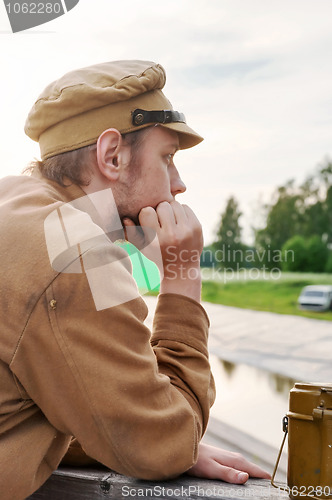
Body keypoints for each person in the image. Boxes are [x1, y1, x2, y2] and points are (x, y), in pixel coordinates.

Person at [0, 60, 270, 500]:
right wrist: (182, 276)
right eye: (167, 158)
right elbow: (163, 444)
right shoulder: (78, 252)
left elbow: (72, 402)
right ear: (112, 156)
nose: (179, 185)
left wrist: (138, 431)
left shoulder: (16, 203)